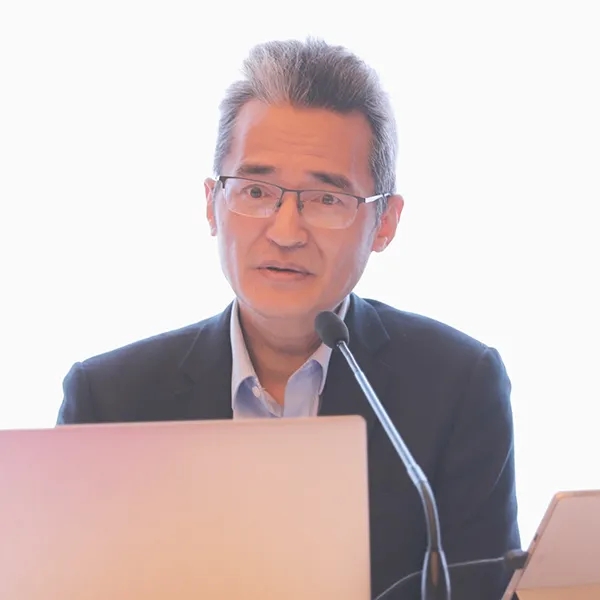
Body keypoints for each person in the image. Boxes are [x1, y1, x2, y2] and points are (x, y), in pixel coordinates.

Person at [57, 38, 520, 598]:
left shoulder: (458, 387)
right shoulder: (110, 402)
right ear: (212, 204)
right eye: (256, 190)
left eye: (325, 199)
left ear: (385, 223)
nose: (285, 231)